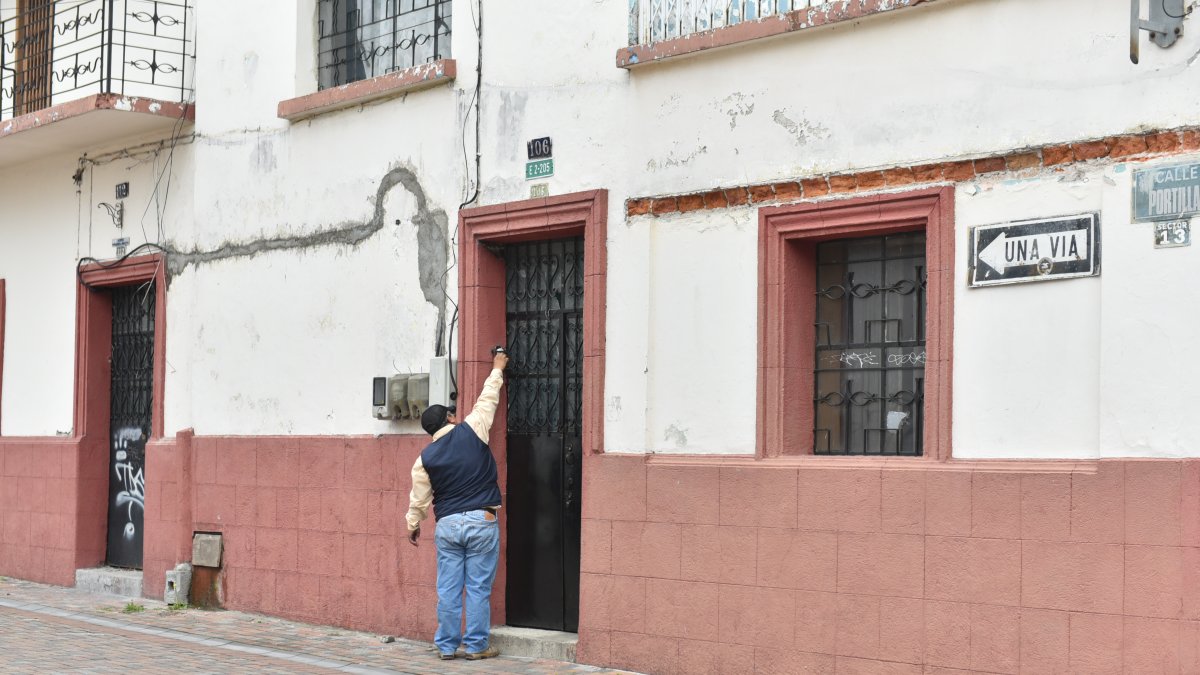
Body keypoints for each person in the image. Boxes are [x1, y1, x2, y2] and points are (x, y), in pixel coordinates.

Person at [406, 349, 509, 661]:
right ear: (450, 417)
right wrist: (497, 368)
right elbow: (487, 398)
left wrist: (413, 525)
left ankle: (447, 647)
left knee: (448, 589)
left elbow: (419, 498)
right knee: (477, 588)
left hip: (448, 524)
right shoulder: (473, 428)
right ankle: (476, 647)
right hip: (482, 519)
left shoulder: (424, 458)